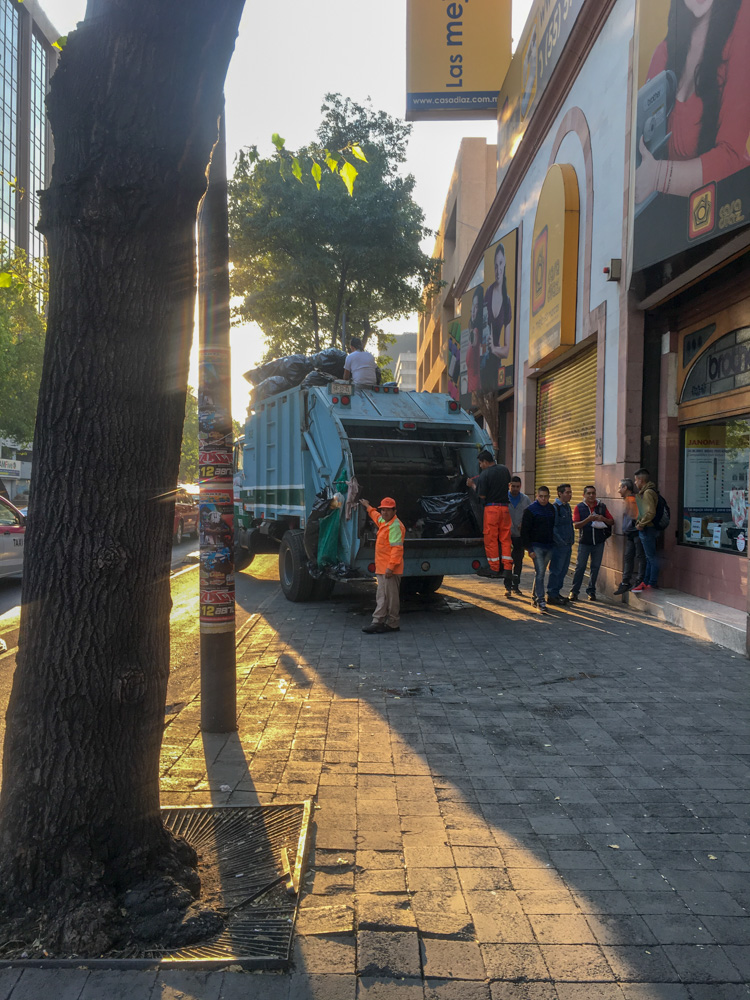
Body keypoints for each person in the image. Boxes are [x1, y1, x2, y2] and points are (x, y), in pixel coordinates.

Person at [635, 0, 750, 205]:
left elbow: (731, 156)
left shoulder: (743, 16)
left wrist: (659, 176)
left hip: (733, 210)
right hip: (676, 219)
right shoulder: (663, 55)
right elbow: (642, 158)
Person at [468, 449, 513, 588]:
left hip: (492, 510)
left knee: (491, 538)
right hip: (505, 509)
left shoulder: (485, 474)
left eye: (480, 463)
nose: (480, 466)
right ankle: (507, 568)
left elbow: (482, 495)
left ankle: (494, 568)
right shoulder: (504, 470)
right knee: (505, 539)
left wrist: (472, 485)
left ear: (485, 462)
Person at [360, 497, 405, 634]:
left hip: (390, 569)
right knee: (383, 596)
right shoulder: (385, 522)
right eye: (383, 510)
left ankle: (389, 623)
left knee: (389, 598)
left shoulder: (395, 526)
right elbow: (376, 516)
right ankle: (381, 622)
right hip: (383, 568)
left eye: (388, 510)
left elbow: (397, 549)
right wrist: (368, 507)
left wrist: (390, 567)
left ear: (394, 511)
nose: (384, 512)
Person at [569, 485, 614, 602]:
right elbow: (576, 525)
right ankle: (574, 591)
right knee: (580, 567)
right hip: (584, 542)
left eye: (593, 493)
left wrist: (603, 518)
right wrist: (588, 520)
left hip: (599, 543)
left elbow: (611, 521)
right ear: (584, 495)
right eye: (588, 493)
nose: (591, 495)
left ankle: (591, 591)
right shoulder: (579, 507)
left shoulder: (602, 507)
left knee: (595, 567)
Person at [481, 243, 512, 392]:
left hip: (496, 367)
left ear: (504, 263)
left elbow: (506, 351)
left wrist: (494, 348)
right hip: (483, 365)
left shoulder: (507, 301)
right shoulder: (488, 292)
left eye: (500, 264)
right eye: (495, 266)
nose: (498, 269)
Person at [520, 485, 556, 612]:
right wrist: (529, 549)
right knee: (540, 572)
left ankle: (535, 597)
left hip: (549, 546)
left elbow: (553, 527)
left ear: (549, 497)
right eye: (541, 496)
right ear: (537, 496)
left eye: (546, 497)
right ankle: (541, 600)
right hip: (536, 546)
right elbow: (524, 531)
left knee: (540, 572)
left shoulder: (551, 509)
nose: (543, 499)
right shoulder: (530, 510)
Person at [631, 469, 660, 593]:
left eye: (636, 480)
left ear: (641, 480)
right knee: (649, 557)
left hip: (648, 528)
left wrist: (641, 524)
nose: (635, 483)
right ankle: (646, 582)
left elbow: (650, 512)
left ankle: (651, 583)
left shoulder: (648, 493)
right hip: (648, 528)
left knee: (651, 557)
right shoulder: (647, 491)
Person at [614, 478, 645, 595]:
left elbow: (635, 516)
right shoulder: (630, 499)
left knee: (639, 557)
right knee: (629, 557)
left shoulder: (632, 500)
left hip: (636, 533)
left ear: (625, 487)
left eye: (620, 487)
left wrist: (633, 524)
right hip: (631, 534)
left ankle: (639, 581)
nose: (618, 490)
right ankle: (625, 582)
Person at [547, 484, 574, 606]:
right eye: (567, 492)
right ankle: (551, 594)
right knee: (556, 570)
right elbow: (553, 528)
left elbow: (569, 525)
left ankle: (556, 592)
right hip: (559, 545)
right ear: (560, 493)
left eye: (570, 492)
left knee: (563, 570)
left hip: (567, 544)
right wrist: (560, 541)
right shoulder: (555, 508)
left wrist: (571, 540)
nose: (570, 495)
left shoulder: (567, 507)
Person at [508, 476, 531, 596]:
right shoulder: (503, 498)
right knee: (507, 562)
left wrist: (524, 523)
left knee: (518, 561)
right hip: (507, 536)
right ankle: (507, 586)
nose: (515, 489)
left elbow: (530, 515)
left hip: (519, 536)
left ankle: (515, 586)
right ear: (509, 486)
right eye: (513, 486)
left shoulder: (525, 499)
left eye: (517, 486)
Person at [466, 286, 483, 395]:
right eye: (473, 305)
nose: (473, 310)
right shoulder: (473, 332)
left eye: (476, 307)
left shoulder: (476, 332)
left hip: (475, 387)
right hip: (472, 386)